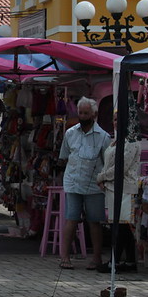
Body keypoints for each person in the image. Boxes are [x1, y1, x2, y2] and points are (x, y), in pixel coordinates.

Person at [58, 96, 110, 270]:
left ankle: (96, 258)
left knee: (94, 221)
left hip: (94, 185)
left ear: (94, 114)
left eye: (86, 113)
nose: (82, 116)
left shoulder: (103, 136)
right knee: (71, 218)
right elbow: (64, 157)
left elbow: (107, 163)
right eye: (80, 112)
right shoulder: (70, 133)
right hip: (73, 182)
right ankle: (64, 257)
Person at [96, 107, 141, 273]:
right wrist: (103, 178)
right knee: (120, 226)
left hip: (124, 188)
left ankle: (114, 261)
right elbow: (109, 164)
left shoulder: (132, 141)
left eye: (120, 119)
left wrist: (101, 177)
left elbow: (121, 167)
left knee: (121, 226)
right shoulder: (115, 140)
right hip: (112, 187)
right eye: (114, 119)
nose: (116, 123)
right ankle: (129, 261)